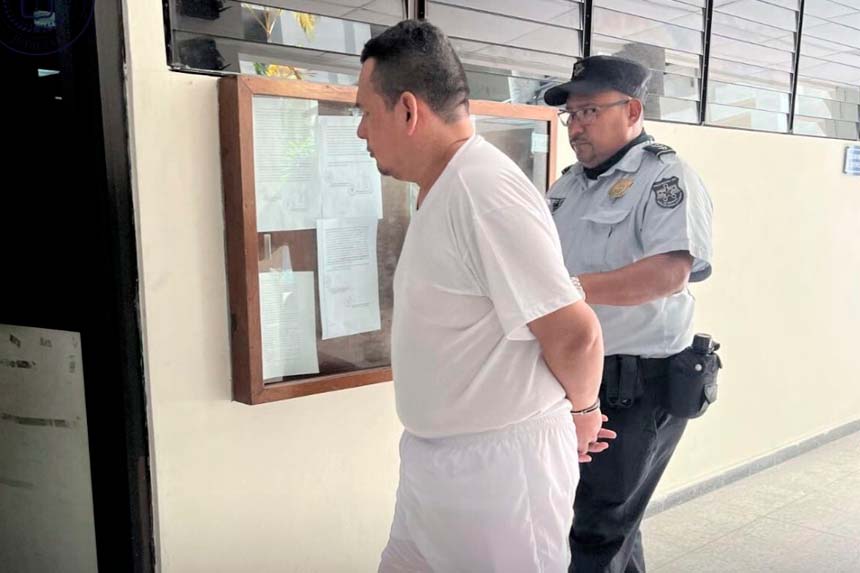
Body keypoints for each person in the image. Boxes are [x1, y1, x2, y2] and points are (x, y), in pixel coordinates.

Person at [356, 20, 613, 572]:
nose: (360, 131)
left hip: (499, 472)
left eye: (366, 113)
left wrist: (585, 412)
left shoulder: (482, 189)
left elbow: (576, 333)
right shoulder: (445, 188)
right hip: (437, 462)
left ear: (408, 111)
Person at [543, 55, 714, 572]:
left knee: (596, 532)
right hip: (578, 383)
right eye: (570, 115)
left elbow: (669, 273)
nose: (575, 126)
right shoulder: (566, 187)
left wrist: (569, 290)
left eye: (589, 112)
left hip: (637, 388)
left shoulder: (665, 178)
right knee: (608, 526)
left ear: (632, 110)